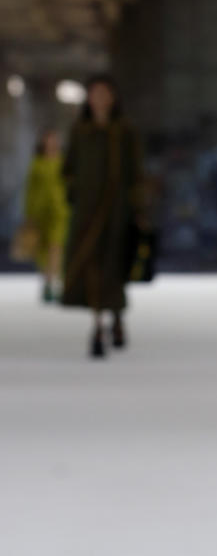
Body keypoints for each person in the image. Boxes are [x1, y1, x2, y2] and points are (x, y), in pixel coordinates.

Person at [61, 75, 143, 358]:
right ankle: (97, 324)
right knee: (92, 265)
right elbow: (68, 167)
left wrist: (138, 206)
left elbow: (135, 172)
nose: (100, 98)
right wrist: (75, 192)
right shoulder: (80, 131)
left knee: (114, 265)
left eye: (105, 93)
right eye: (95, 93)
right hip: (86, 210)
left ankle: (117, 317)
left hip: (118, 211)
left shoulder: (124, 131)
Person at [23, 130, 69, 302]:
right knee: (43, 249)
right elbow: (30, 189)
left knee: (56, 246)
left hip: (60, 210)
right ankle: (48, 282)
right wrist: (29, 213)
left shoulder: (63, 161)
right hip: (40, 212)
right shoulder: (37, 163)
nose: (51, 142)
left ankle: (55, 281)